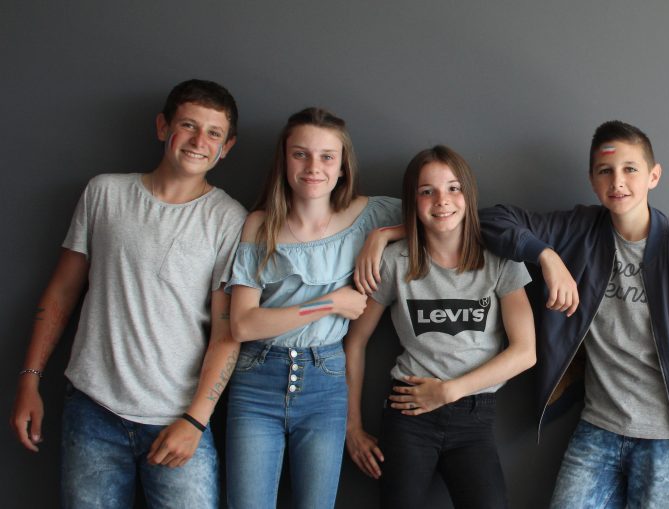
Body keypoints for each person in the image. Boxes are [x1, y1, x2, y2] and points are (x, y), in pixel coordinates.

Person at [479, 121, 669, 507]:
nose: (617, 181)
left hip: (667, 439)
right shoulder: (579, 229)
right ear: (592, 180)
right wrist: (546, 256)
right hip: (597, 428)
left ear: (653, 176)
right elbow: (491, 220)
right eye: (605, 170)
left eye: (630, 168)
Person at [8, 79, 245, 508]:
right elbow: (61, 292)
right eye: (188, 125)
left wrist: (195, 420)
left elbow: (226, 331)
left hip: (179, 418)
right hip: (92, 411)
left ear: (226, 147)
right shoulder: (104, 193)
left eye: (213, 133)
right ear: (162, 127)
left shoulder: (229, 219)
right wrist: (29, 379)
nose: (199, 141)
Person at [224, 107, 401, 509]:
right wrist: (329, 303)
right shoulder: (259, 225)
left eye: (327, 156)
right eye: (300, 154)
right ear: (284, 160)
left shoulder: (368, 215)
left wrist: (382, 235)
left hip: (326, 381)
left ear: (342, 167)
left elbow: (447, 219)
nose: (313, 167)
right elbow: (244, 324)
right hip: (256, 379)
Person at [344, 145, 536, 508]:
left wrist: (450, 391)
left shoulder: (499, 260)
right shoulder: (394, 261)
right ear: (413, 201)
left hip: (474, 415)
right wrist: (351, 427)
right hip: (409, 412)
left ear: (469, 193)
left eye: (453, 188)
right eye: (427, 191)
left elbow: (525, 352)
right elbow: (355, 342)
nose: (442, 200)